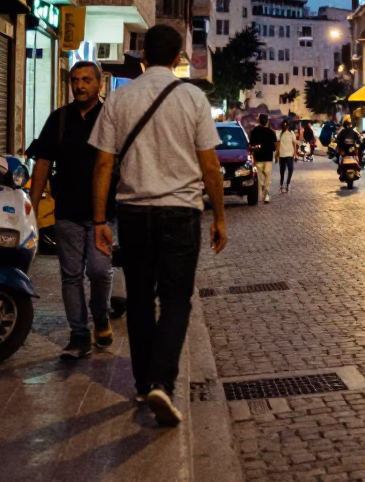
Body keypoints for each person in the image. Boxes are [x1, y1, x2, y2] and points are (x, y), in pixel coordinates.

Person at [90, 24, 227, 427]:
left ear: (142, 56)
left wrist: (100, 220)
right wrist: (219, 216)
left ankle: (142, 382)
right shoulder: (192, 98)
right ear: (179, 58)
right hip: (180, 213)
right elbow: (210, 167)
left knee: (138, 299)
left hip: (133, 213)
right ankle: (162, 383)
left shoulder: (118, 98)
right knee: (175, 300)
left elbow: (103, 165)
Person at [28, 61, 115, 360]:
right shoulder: (59, 119)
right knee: (71, 276)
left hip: (104, 213)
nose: (79, 85)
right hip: (66, 211)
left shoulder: (111, 117)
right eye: (75, 80)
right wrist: (33, 206)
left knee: (101, 271)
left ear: (99, 84)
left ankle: (101, 317)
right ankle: (79, 334)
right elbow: (42, 163)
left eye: (86, 80)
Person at [248, 114, 276, 203]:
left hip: (258, 158)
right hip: (268, 158)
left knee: (259, 179)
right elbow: (274, 147)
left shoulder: (254, 131)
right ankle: (266, 195)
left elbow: (251, 144)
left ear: (259, 121)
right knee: (267, 177)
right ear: (267, 121)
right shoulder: (271, 132)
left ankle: (263, 192)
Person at [276, 118, 299, 193]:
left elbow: (294, 143)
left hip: (289, 154)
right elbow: (278, 144)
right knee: (282, 171)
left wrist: (295, 153)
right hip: (282, 154)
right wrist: (277, 153)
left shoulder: (291, 133)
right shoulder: (279, 133)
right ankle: (281, 184)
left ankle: (287, 183)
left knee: (290, 169)